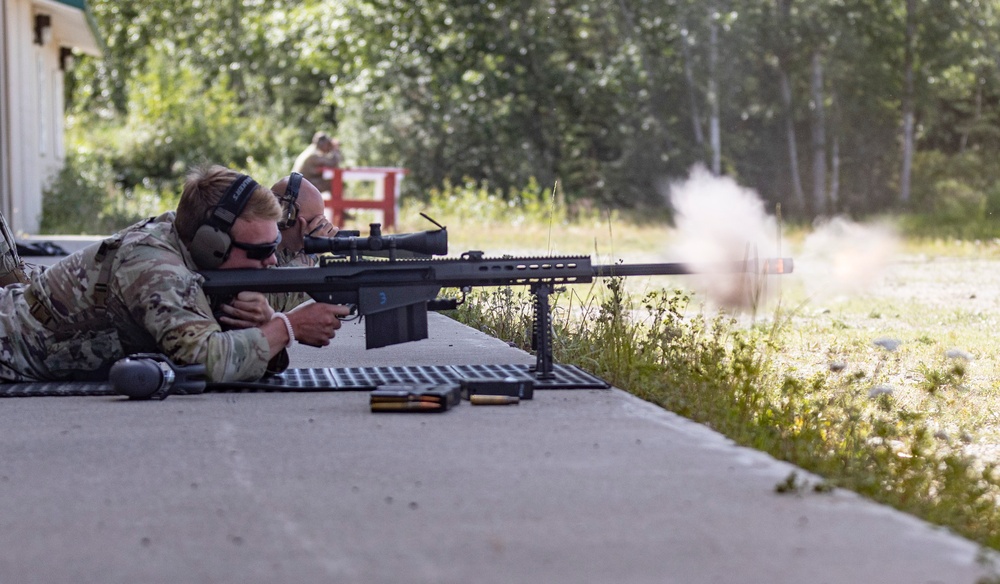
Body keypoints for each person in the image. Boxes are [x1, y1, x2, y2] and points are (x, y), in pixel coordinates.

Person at [0, 165, 350, 383]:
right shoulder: (153, 266)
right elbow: (207, 360)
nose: (272, 262)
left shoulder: (190, 241)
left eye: (274, 246)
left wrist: (265, 322)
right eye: (260, 252)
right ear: (211, 245)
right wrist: (287, 327)